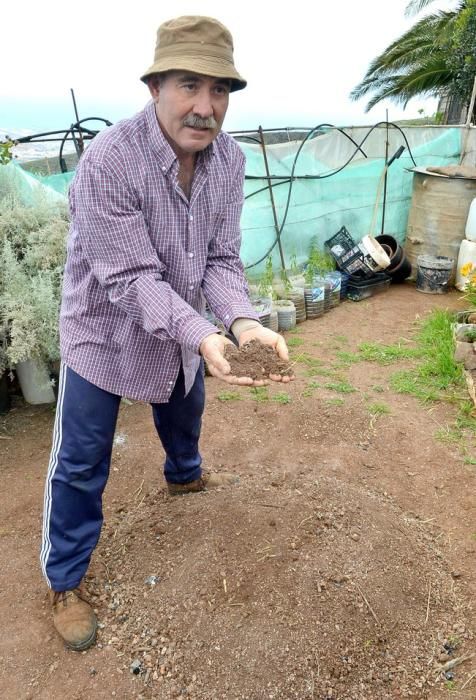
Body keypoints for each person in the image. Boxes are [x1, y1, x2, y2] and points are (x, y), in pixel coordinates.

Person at [40, 15, 291, 652]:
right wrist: (202, 332)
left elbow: (221, 260)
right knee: (82, 459)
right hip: (104, 330)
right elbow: (129, 278)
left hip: (179, 326)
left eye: (220, 91)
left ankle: (184, 474)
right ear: (155, 86)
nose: (205, 108)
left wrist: (241, 323)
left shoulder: (229, 161)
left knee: (185, 411)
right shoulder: (109, 161)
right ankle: (65, 580)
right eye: (188, 85)